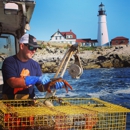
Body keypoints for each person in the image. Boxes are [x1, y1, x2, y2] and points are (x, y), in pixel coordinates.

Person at [2, 34, 72, 100]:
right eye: (31, 47)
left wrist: (51, 86)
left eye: (36, 48)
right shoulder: (9, 62)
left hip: (29, 103)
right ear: (22, 46)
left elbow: (40, 88)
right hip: (10, 103)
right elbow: (12, 82)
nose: (34, 51)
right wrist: (35, 79)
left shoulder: (35, 65)